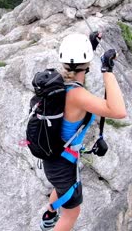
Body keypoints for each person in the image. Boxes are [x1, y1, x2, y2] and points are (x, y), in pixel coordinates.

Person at [40, 33, 126, 231]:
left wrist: (90, 47)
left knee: (60, 189)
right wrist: (107, 69)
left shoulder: (57, 80)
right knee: (72, 214)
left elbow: (76, 68)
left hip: (52, 155)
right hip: (63, 164)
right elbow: (119, 111)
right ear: (86, 63)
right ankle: (51, 217)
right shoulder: (78, 95)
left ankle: (49, 214)